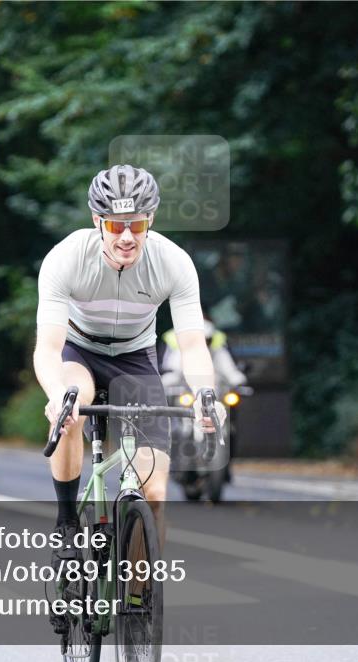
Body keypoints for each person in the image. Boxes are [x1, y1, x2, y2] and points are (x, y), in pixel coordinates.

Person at [34, 164, 226, 567]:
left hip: (136, 360)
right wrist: (55, 395)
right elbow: (48, 348)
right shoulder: (67, 257)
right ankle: (67, 521)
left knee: (154, 494)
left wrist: (207, 394)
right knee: (71, 405)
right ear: (96, 221)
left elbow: (193, 345)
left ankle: (137, 605)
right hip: (80, 354)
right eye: (115, 225)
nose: (126, 237)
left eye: (136, 225)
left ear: (150, 220)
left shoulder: (173, 262)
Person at [159, 320, 247, 390]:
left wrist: (238, 380)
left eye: (207, 340)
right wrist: (166, 382)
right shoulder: (181, 352)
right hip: (187, 390)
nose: (204, 343)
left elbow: (230, 371)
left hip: (215, 389)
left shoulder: (218, 353)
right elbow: (173, 372)